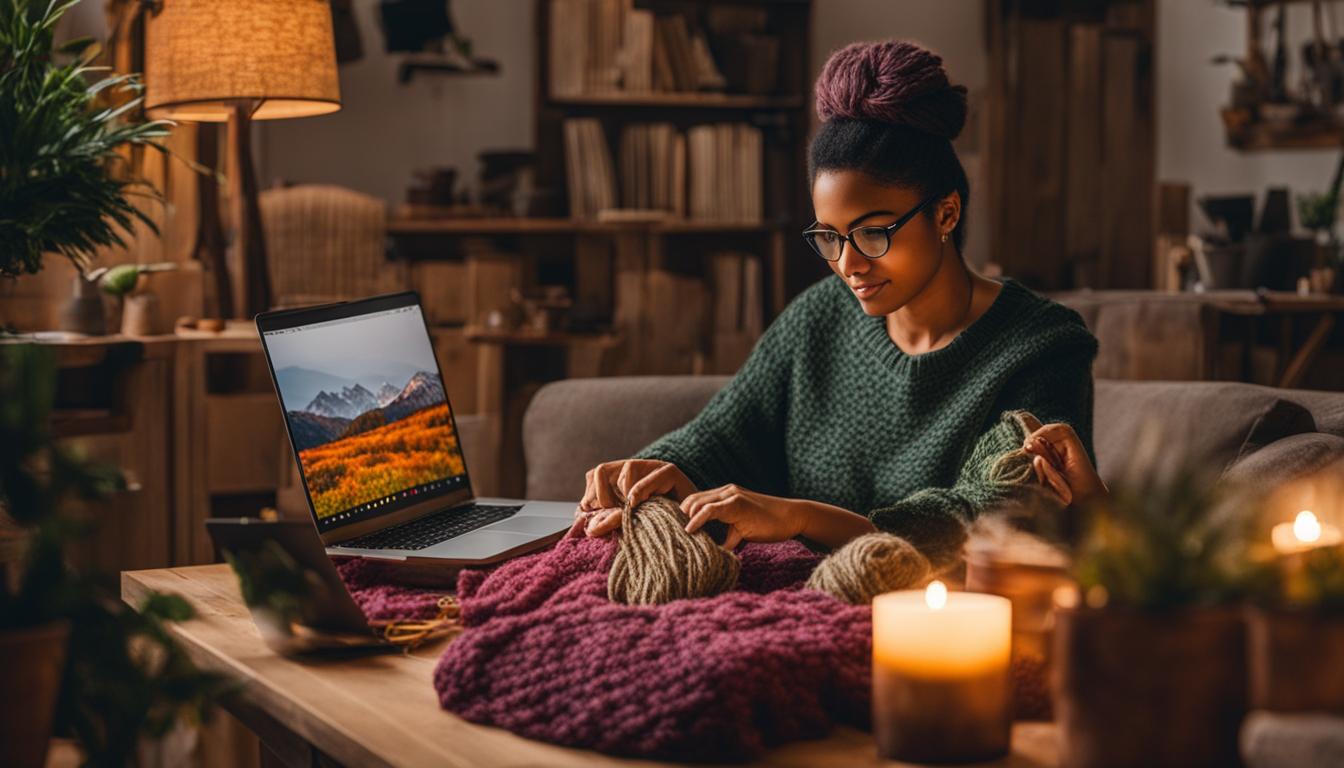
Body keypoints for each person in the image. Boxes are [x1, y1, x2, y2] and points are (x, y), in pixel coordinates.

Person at [576, 40, 1107, 570]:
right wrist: (654, 470)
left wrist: (803, 519)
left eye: (872, 233)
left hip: (932, 623)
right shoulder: (819, 316)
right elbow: (723, 435)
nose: (849, 264)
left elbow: (992, 512)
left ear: (946, 214)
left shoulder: (1040, 348)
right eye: (829, 237)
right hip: (788, 602)